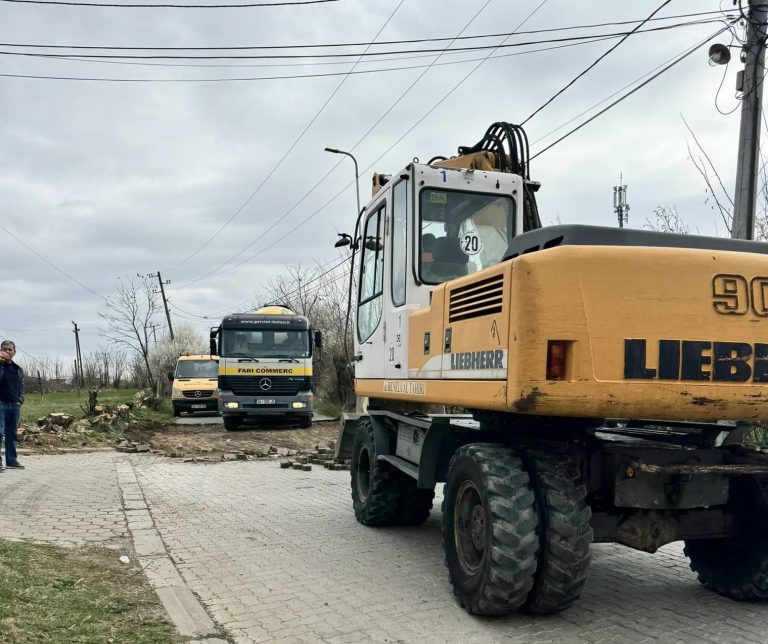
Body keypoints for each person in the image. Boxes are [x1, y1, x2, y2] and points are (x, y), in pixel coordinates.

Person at [0, 340, 25, 471]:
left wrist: (20, 400)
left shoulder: (18, 369)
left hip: (14, 405)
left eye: (10, 349)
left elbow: (21, 386)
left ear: (14, 352)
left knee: (12, 434)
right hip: (1, 404)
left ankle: (11, 461)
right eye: (4, 349)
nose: (7, 352)